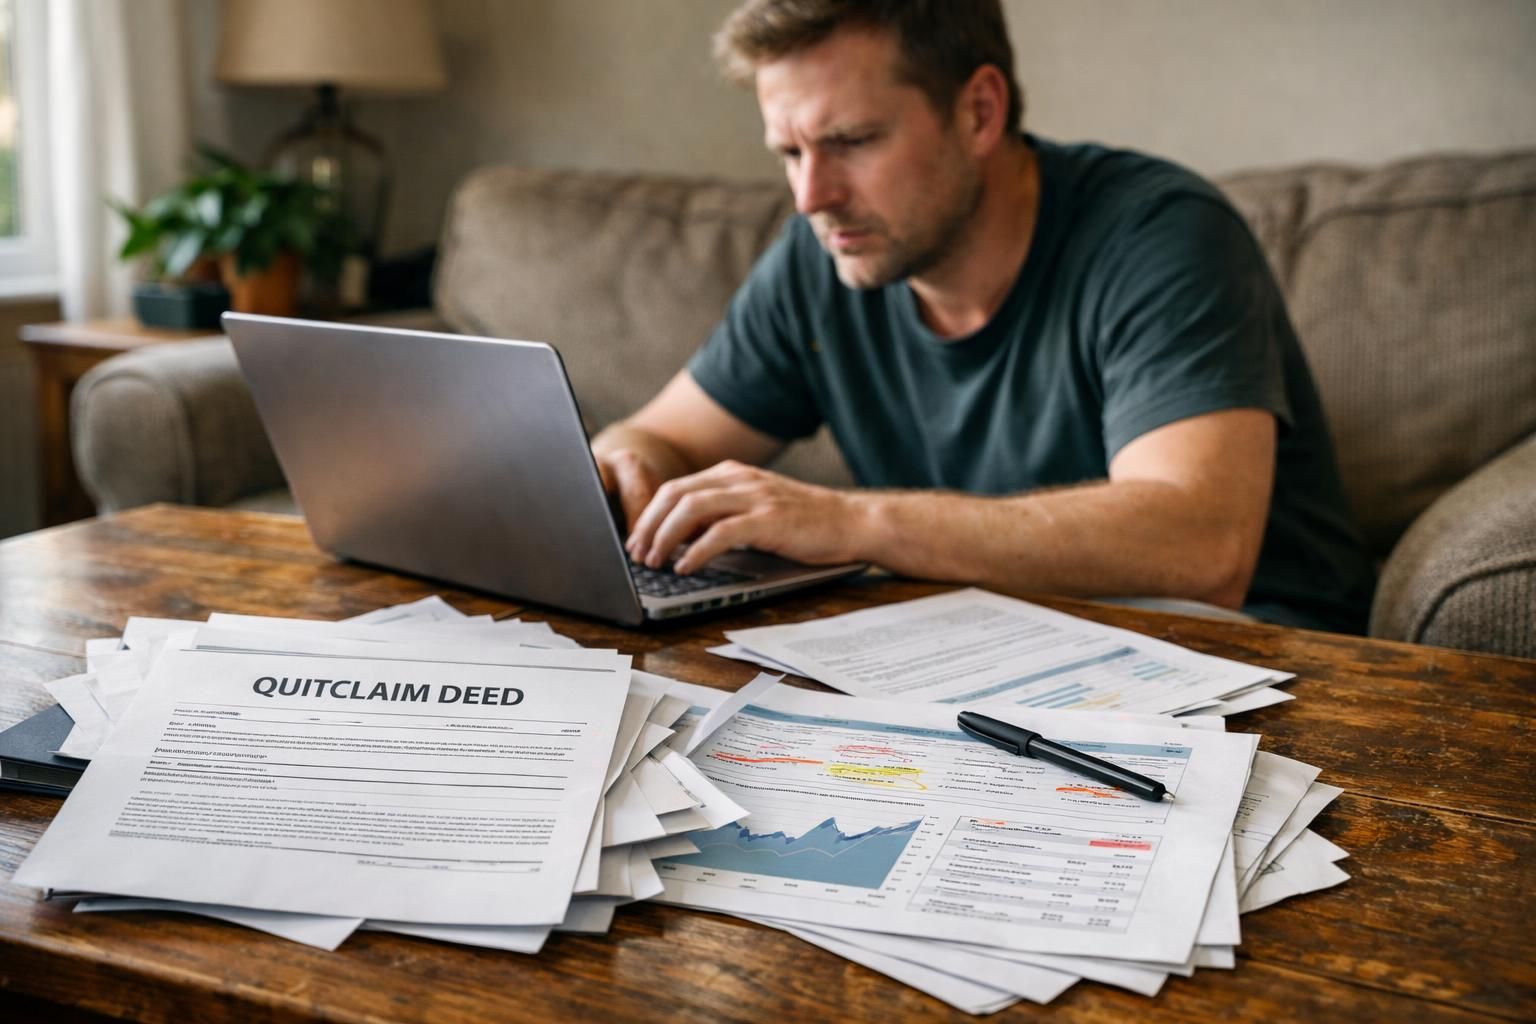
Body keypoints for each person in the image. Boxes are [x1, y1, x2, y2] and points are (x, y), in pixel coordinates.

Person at [591, 0, 1376, 634]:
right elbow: (662, 438)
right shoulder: (823, 256)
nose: (811, 197)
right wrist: (621, 467)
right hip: (993, 655)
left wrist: (852, 522)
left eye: (852, 141)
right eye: (790, 153)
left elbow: (1201, 545)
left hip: (1255, 657)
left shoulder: (1160, 235)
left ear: (979, 111)